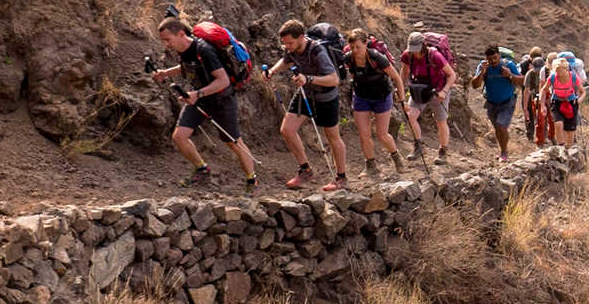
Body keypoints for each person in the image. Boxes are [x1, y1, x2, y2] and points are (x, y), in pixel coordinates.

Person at [151, 17, 258, 192]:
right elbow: (186, 66)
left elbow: (223, 81)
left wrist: (197, 94)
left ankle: (251, 181)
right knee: (179, 136)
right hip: (200, 97)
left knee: (233, 142)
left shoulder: (204, 50)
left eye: (167, 40)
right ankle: (202, 169)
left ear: (180, 34)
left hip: (222, 100)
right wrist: (165, 73)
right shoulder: (184, 50)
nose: (166, 44)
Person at [273, 19, 349, 191]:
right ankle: (305, 170)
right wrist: (272, 71)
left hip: (326, 97)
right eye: (284, 43)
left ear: (301, 38)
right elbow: (286, 60)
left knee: (332, 137)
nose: (287, 46)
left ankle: (341, 177)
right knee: (287, 130)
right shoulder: (292, 48)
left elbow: (334, 80)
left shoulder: (317, 51)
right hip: (305, 93)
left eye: (290, 43)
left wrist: (308, 79)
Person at [344, 28, 407, 179]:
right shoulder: (349, 58)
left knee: (382, 134)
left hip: (382, 97)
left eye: (358, 46)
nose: (355, 50)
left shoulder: (377, 57)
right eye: (352, 47)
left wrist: (403, 100)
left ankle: (396, 157)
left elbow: (397, 78)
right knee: (364, 135)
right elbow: (353, 76)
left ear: (366, 44)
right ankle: (370, 166)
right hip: (361, 97)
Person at [400, 31, 453, 164]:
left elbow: (451, 75)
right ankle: (419, 146)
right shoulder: (408, 55)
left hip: (438, 90)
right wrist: (400, 87)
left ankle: (443, 151)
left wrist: (444, 92)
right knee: (410, 116)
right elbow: (405, 71)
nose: (415, 53)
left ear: (423, 45)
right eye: (412, 49)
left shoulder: (434, 55)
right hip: (419, 89)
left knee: (440, 121)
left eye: (416, 49)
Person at [472, 44, 524, 162]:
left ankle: (504, 152)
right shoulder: (483, 66)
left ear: (499, 56)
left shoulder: (508, 65)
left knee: (501, 126)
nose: (493, 61)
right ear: (486, 59)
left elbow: (522, 80)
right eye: (490, 59)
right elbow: (475, 85)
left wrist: (509, 75)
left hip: (507, 101)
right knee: (498, 128)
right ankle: (502, 150)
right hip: (491, 103)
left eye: (495, 58)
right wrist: (482, 73)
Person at [543, 54, 584, 148]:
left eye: (560, 71)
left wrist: (579, 100)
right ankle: (561, 147)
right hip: (557, 102)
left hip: (571, 103)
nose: (558, 74)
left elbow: (583, 91)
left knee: (570, 130)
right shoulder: (553, 77)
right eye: (556, 71)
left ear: (566, 69)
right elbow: (544, 90)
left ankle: (569, 148)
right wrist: (542, 105)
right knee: (558, 123)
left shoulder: (573, 77)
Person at [520, 47, 547, 149]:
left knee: (543, 114)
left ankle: (543, 136)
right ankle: (530, 134)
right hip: (529, 89)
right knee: (529, 114)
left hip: (542, 91)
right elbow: (526, 89)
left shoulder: (545, 66)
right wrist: (525, 107)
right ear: (530, 58)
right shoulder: (525, 66)